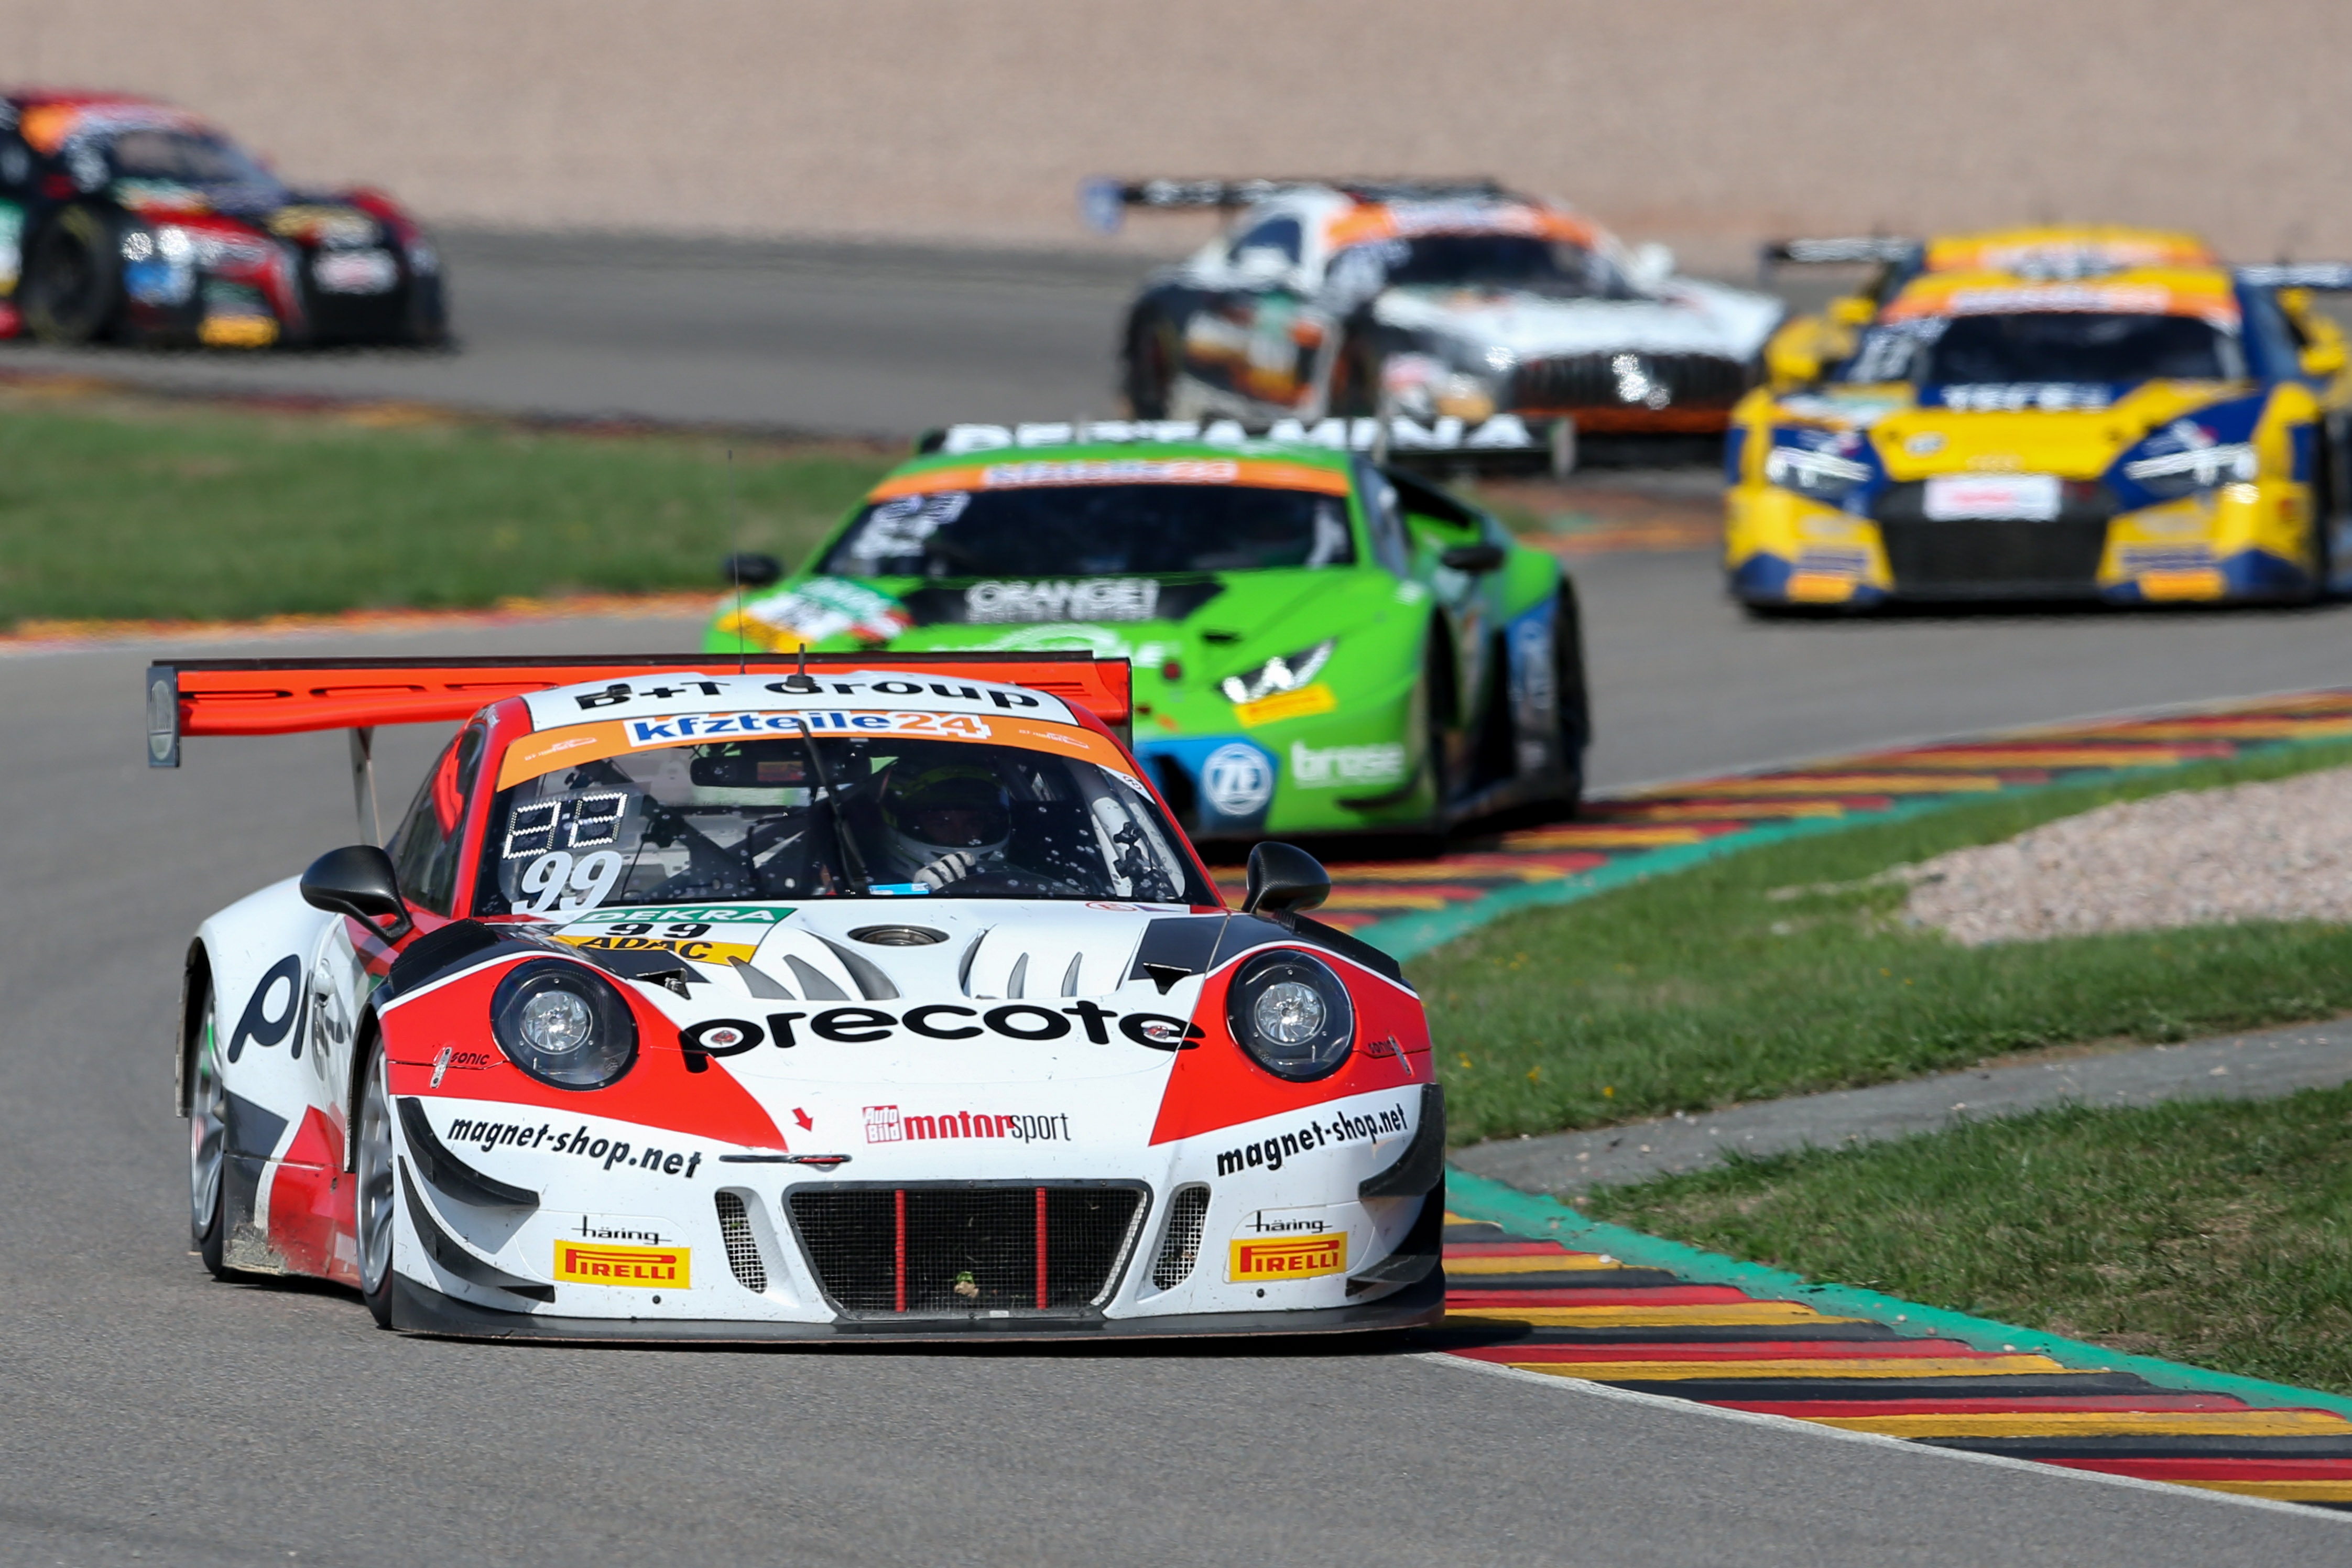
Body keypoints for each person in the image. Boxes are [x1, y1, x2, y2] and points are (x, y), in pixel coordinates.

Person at [876, 759, 1015, 889]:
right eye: (941, 826)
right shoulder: (869, 892)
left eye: (973, 824)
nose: (960, 838)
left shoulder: (1019, 884)